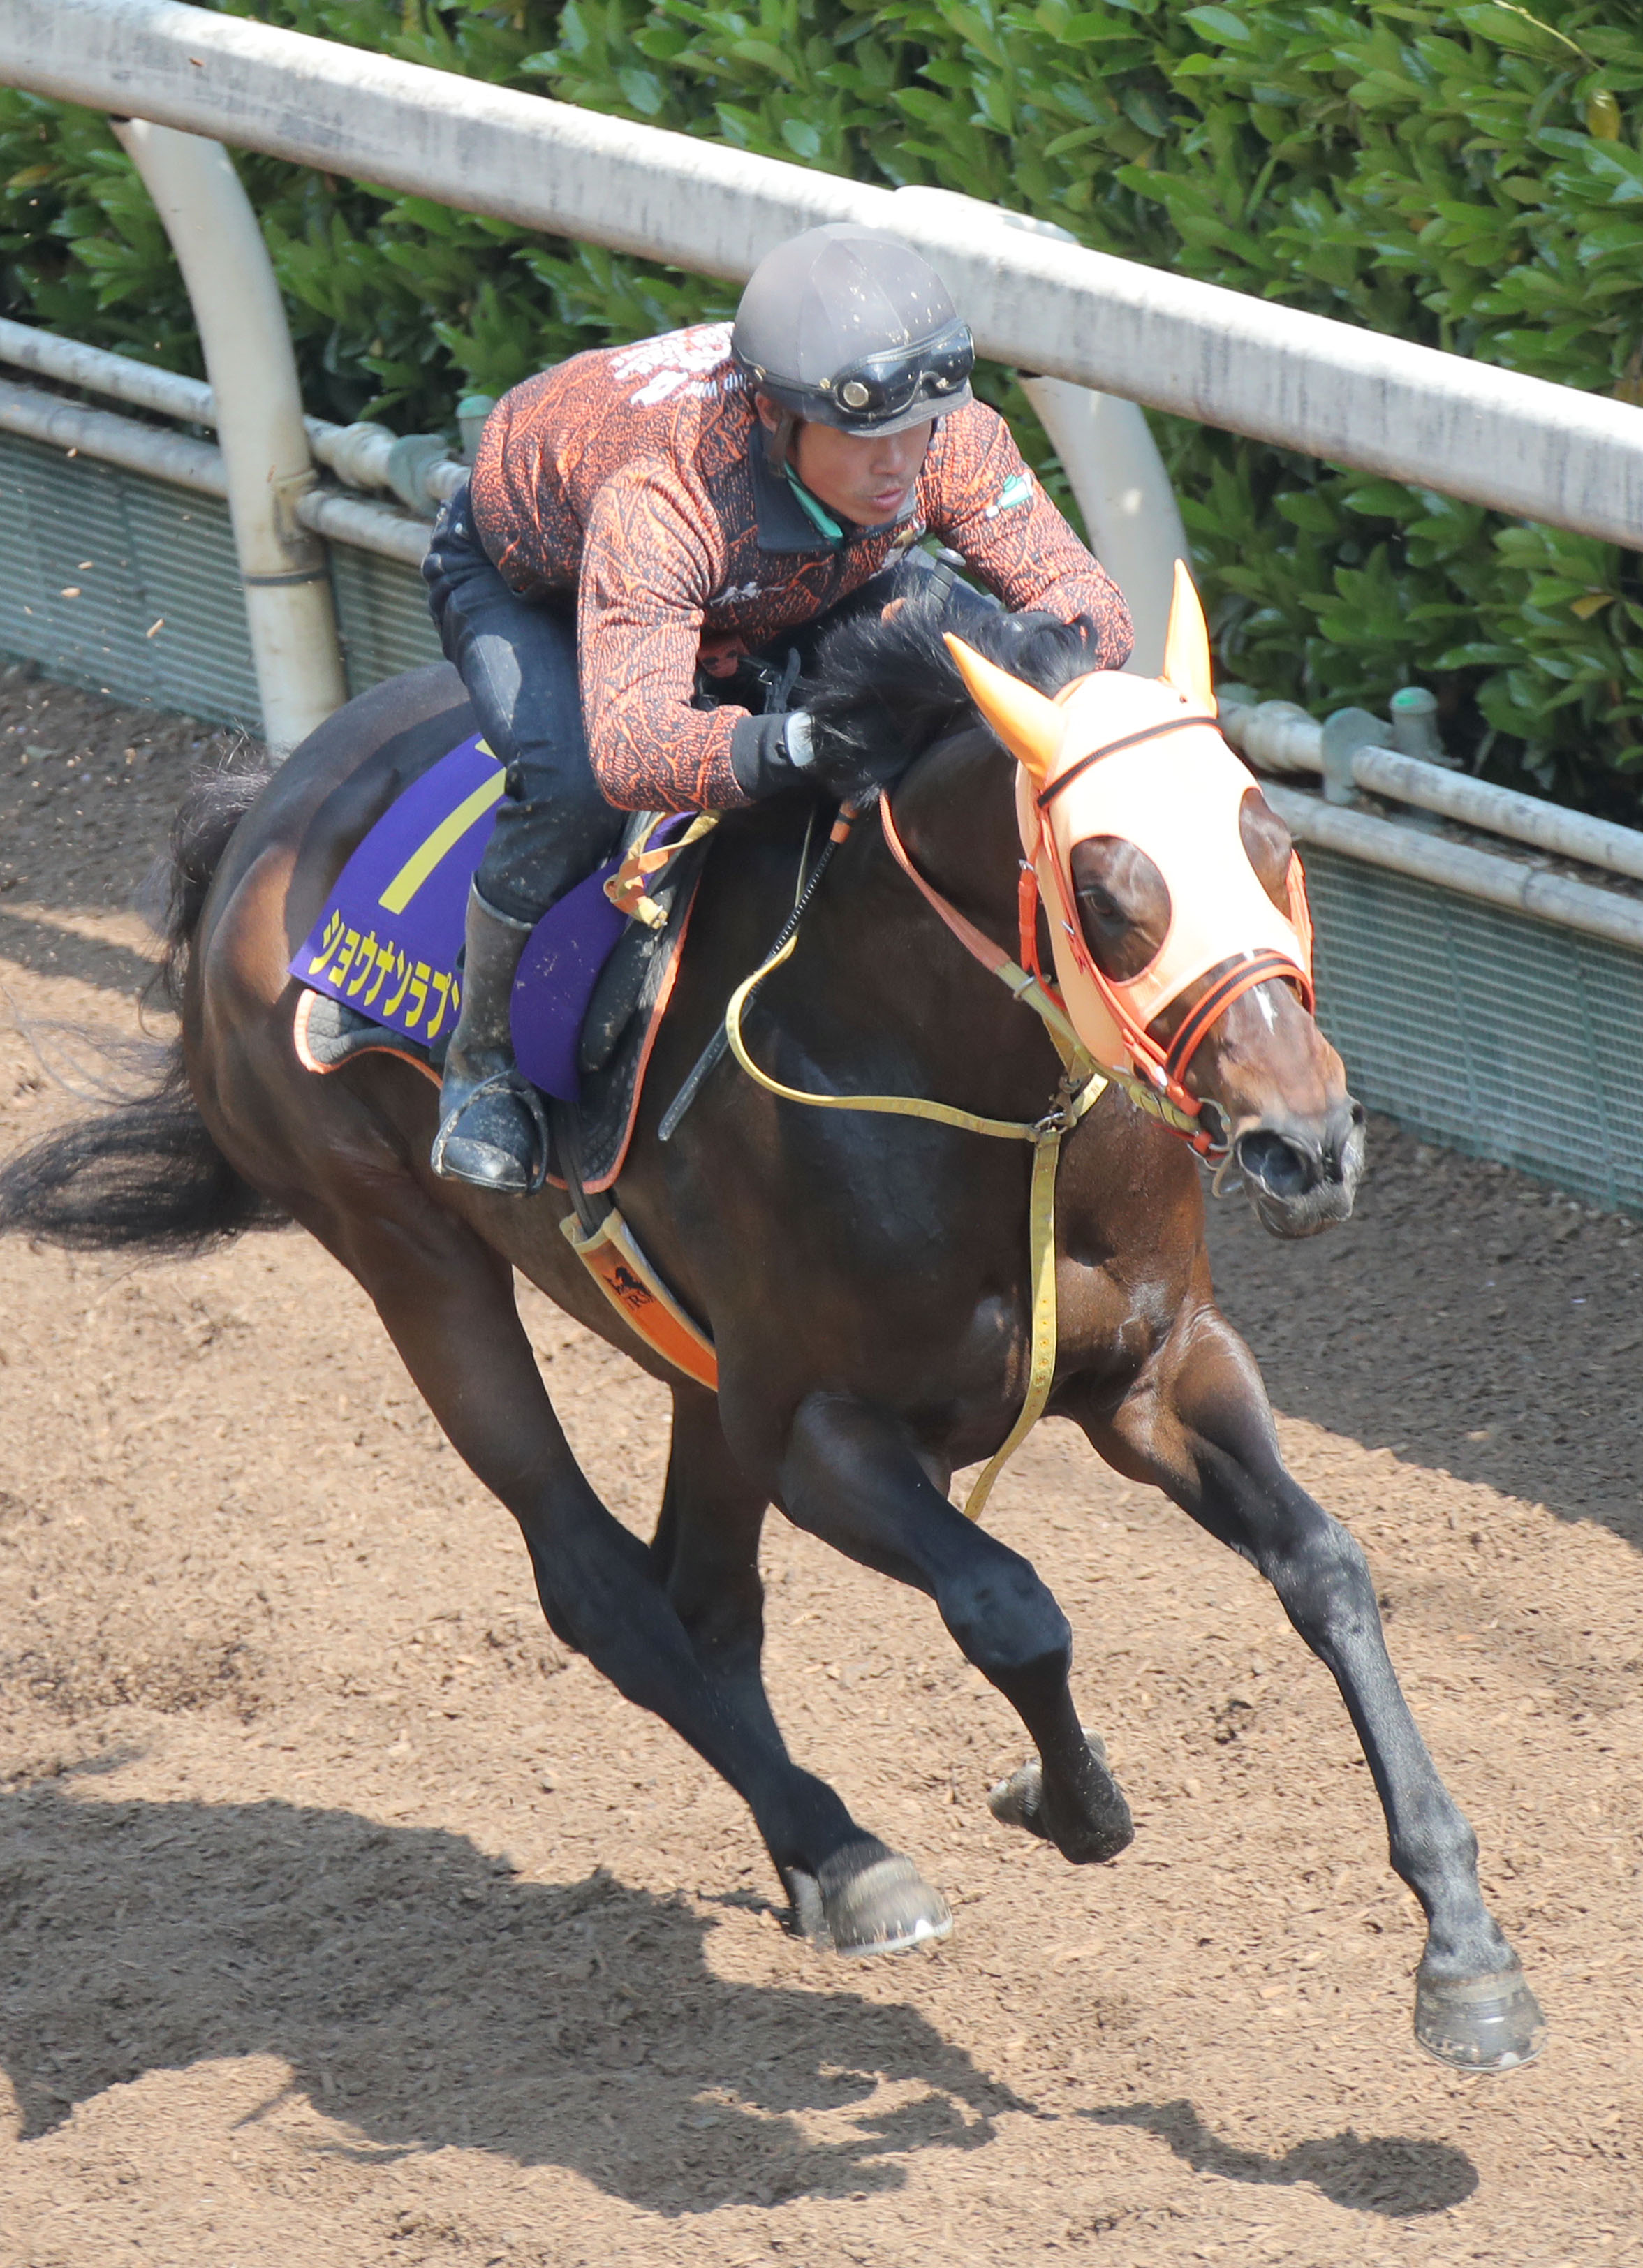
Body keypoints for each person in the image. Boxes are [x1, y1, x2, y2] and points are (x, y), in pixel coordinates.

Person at [422, 221, 1134, 1192]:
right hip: (540, 584)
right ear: (772, 413)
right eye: (864, 436)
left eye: (919, 429)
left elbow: (1089, 604)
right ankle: (482, 1065)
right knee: (574, 782)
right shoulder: (664, 492)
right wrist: (803, 740)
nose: (901, 465)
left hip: (784, 577)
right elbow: (635, 748)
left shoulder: (950, 439)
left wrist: (1030, 668)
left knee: (966, 671)